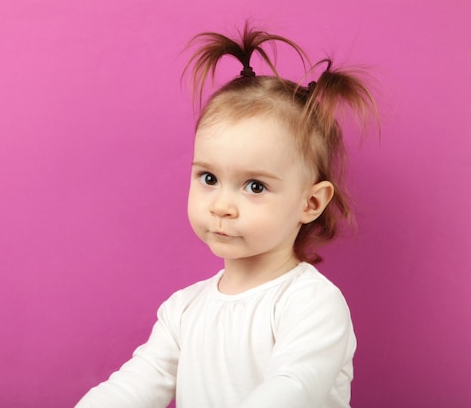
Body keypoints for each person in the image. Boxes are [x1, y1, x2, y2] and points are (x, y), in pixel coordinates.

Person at [75, 23, 379, 408]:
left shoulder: (312, 304)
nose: (221, 205)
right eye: (209, 178)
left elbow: (292, 390)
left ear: (311, 203)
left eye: (254, 186)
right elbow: (136, 384)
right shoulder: (183, 310)